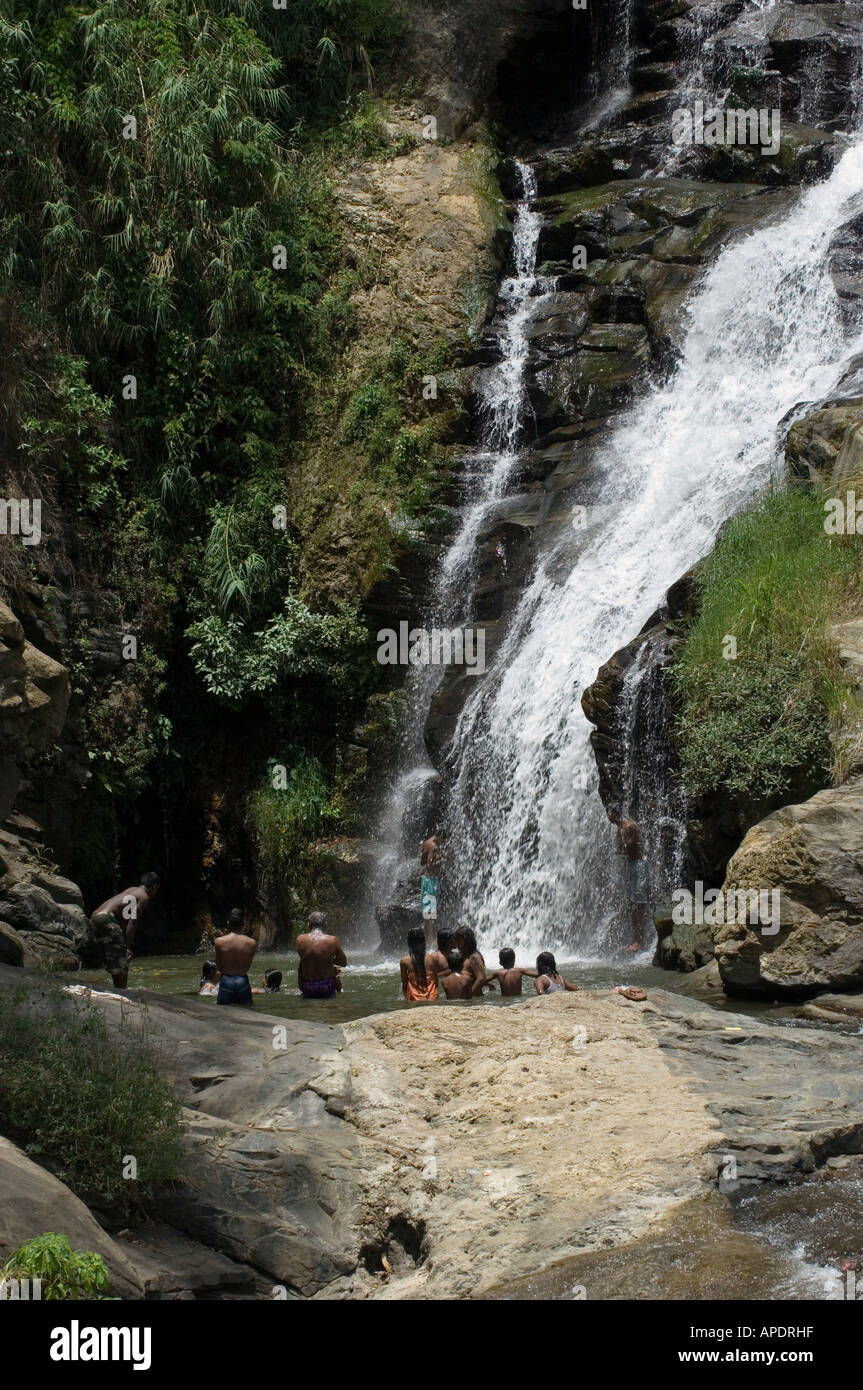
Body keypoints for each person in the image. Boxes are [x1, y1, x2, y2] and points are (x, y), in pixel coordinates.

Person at [89, 871, 160, 989]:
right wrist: (127, 948)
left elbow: (123, 920)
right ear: (154, 887)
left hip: (96, 916)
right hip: (107, 918)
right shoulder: (144, 897)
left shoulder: (132, 890)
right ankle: (123, 992)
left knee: (113, 957)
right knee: (122, 959)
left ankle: (116, 988)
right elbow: (132, 923)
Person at [611, 810, 650, 952]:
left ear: (616, 813)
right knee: (634, 903)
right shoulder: (621, 828)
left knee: (639, 903)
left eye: (610, 814)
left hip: (639, 865)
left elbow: (628, 846)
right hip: (631, 865)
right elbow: (623, 849)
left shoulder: (629, 826)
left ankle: (639, 941)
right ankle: (634, 940)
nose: (609, 817)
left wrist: (620, 844)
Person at [296, 912, 346, 1000]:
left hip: (307, 987)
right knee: (335, 968)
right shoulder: (332, 940)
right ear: (325, 924)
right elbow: (343, 962)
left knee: (302, 963)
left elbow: (308, 959)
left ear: (308, 924)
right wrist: (328, 960)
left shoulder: (300, 939)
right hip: (327, 987)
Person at [214, 909, 257, 1007]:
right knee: (247, 1010)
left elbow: (219, 966)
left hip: (226, 979)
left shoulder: (219, 942)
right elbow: (247, 966)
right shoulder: (251, 943)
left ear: (228, 923)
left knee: (223, 1010)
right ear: (244, 924)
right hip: (242, 979)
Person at [400, 926, 442, 1002]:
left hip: (413, 999)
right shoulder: (432, 958)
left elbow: (404, 985)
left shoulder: (404, 961)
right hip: (432, 998)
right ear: (423, 941)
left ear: (409, 942)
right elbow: (436, 983)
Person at [420, 833, 445, 945]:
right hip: (431, 881)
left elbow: (422, 862)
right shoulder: (434, 846)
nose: (443, 844)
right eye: (443, 841)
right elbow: (429, 864)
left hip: (426, 881)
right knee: (430, 913)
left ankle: (428, 939)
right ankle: (430, 940)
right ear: (440, 838)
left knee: (428, 913)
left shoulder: (426, 843)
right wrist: (441, 859)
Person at [455, 925, 491, 997]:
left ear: (466, 941)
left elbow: (481, 979)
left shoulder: (474, 957)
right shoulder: (467, 955)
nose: (457, 945)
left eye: (458, 942)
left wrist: (470, 997)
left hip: (471, 1001)